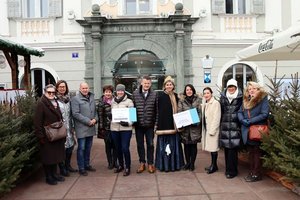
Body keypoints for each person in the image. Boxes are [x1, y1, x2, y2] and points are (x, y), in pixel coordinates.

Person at [34, 84, 66, 185]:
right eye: (49, 92)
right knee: (48, 158)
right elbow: (37, 122)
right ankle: (49, 177)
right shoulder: (41, 103)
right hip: (46, 135)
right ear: (45, 92)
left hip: (56, 134)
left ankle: (54, 174)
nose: (51, 94)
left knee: (55, 156)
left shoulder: (55, 101)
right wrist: (41, 137)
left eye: (53, 92)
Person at [238, 81, 269, 182]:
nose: (251, 90)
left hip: (257, 130)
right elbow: (239, 112)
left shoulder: (262, 99)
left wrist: (250, 121)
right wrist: (242, 120)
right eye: (249, 89)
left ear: (258, 89)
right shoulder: (246, 99)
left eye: (253, 88)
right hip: (247, 130)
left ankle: (256, 174)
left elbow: (264, 114)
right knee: (251, 152)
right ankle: (252, 172)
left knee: (256, 152)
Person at [155, 76, 184, 172]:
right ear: (164, 86)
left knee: (173, 147)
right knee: (164, 147)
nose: (169, 86)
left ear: (173, 86)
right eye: (167, 84)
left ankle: (174, 165)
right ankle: (164, 166)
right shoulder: (160, 96)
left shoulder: (177, 96)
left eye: (170, 84)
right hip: (163, 126)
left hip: (174, 125)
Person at [132, 76, 158, 174]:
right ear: (141, 83)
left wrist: (156, 125)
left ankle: (150, 163)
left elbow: (157, 111)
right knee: (140, 145)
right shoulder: (135, 94)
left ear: (150, 84)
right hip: (138, 125)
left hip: (150, 125)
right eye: (145, 83)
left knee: (150, 145)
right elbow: (132, 109)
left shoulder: (155, 94)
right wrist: (133, 122)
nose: (146, 85)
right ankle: (142, 162)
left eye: (148, 83)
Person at [71, 82, 98, 176]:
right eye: (83, 88)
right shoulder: (75, 99)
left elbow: (95, 111)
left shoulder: (91, 97)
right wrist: (88, 121)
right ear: (80, 89)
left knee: (88, 148)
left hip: (91, 127)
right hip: (81, 128)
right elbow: (75, 113)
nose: (85, 90)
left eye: (86, 88)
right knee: (81, 148)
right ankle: (81, 167)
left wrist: (95, 119)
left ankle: (87, 164)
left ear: (89, 88)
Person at [219, 79, 243, 179]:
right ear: (227, 87)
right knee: (227, 150)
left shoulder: (240, 97)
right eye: (229, 87)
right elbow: (220, 110)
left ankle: (232, 171)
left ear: (236, 87)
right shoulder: (223, 97)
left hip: (235, 126)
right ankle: (228, 169)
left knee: (233, 149)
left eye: (233, 86)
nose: (231, 88)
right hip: (225, 126)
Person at [110, 84, 134, 176]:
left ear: (124, 91)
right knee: (118, 148)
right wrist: (110, 117)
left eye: (122, 91)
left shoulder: (129, 101)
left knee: (125, 148)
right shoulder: (113, 102)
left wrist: (128, 123)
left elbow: (133, 116)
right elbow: (112, 114)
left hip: (126, 129)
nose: (120, 92)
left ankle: (127, 166)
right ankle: (121, 165)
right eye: (118, 91)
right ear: (116, 91)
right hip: (114, 128)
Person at [55, 80, 78, 177]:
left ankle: (68, 165)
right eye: (60, 86)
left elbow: (72, 114)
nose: (62, 88)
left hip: (69, 127)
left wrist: (73, 126)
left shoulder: (69, 99)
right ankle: (62, 168)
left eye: (63, 87)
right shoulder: (55, 100)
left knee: (70, 147)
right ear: (57, 88)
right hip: (60, 128)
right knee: (61, 149)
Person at [178, 84, 202, 171]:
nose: (189, 91)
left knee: (193, 146)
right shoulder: (181, 101)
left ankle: (192, 164)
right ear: (185, 91)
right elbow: (179, 112)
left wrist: (197, 121)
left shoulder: (198, 100)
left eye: (190, 89)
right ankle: (187, 163)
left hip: (195, 127)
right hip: (185, 128)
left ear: (193, 90)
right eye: (187, 90)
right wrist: (183, 122)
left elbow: (200, 112)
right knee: (186, 146)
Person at [97, 85, 118, 170]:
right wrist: (102, 128)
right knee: (108, 146)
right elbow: (100, 116)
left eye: (109, 92)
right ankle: (110, 162)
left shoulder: (116, 101)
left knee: (116, 146)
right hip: (106, 128)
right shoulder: (101, 103)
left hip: (115, 127)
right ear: (104, 93)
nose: (108, 93)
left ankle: (115, 162)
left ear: (112, 92)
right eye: (106, 92)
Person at [202, 87, 221, 174]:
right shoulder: (206, 103)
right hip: (207, 128)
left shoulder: (215, 103)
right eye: (204, 93)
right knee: (211, 149)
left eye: (208, 93)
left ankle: (214, 166)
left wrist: (212, 130)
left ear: (211, 93)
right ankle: (213, 165)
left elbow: (217, 118)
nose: (206, 95)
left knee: (214, 149)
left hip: (213, 129)